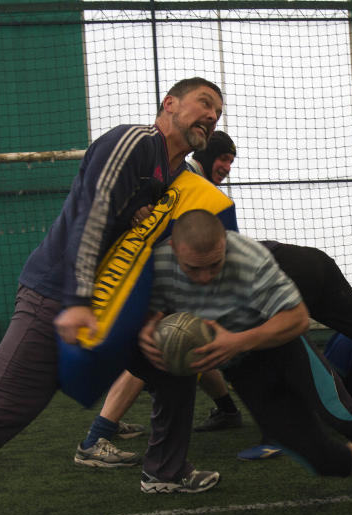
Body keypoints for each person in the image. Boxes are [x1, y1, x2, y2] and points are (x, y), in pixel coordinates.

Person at [0, 78, 226, 515]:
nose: (212, 115)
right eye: (204, 103)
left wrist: (152, 314)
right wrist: (79, 299)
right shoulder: (135, 141)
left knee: (174, 361)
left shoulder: (176, 178)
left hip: (113, 305)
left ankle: (165, 472)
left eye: (218, 111)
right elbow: (91, 213)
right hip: (58, 297)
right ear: (169, 104)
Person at [136, 209, 352, 515]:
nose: (206, 276)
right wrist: (152, 333)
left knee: (345, 416)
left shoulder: (250, 259)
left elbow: (298, 319)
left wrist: (237, 340)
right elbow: (153, 308)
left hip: (279, 342)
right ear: (174, 251)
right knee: (321, 458)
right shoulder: (158, 266)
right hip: (242, 367)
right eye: (195, 269)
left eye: (215, 264)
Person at [73, 130, 243, 469]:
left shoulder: (191, 180)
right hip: (154, 279)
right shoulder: (188, 178)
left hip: (160, 278)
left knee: (188, 346)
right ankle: (96, 438)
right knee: (159, 349)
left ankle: (227, 409)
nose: (226, 167)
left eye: (230, 161)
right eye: (223, 159)